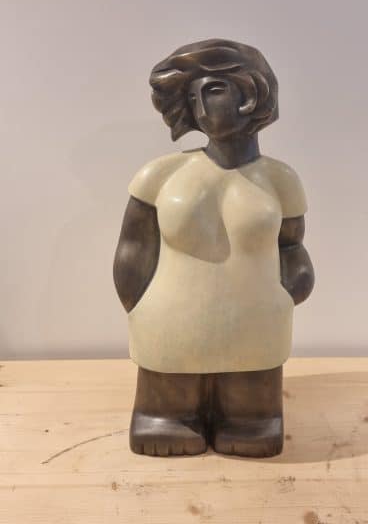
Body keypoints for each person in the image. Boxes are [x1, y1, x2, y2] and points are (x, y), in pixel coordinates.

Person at [113, 39, 314, 457]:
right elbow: (133, 252)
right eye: (193, 98)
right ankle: (165, 416)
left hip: (257, 325)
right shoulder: (159, 175)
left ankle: (252, 419)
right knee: (167, 405)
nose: (203, 107)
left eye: (214, 90)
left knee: (251, 410)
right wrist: (138, 306)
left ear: (253, 91)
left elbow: (291, 246)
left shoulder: (281, 180)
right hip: (168, 325)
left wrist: (294, 285)